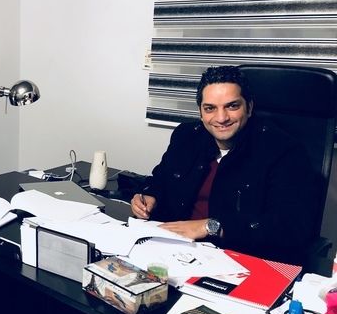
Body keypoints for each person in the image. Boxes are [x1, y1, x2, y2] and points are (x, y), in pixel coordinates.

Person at [130, 65, 317, 265]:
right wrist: (150, 195)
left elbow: (290, 227)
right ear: (201, 112)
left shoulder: (284, 151)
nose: (221, 118)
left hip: (241, 259)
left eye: (232, 106)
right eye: (210, 108)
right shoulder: (186, 136)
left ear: (249, 107)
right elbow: (160, 179)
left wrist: (211, 226)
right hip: (176, 250)